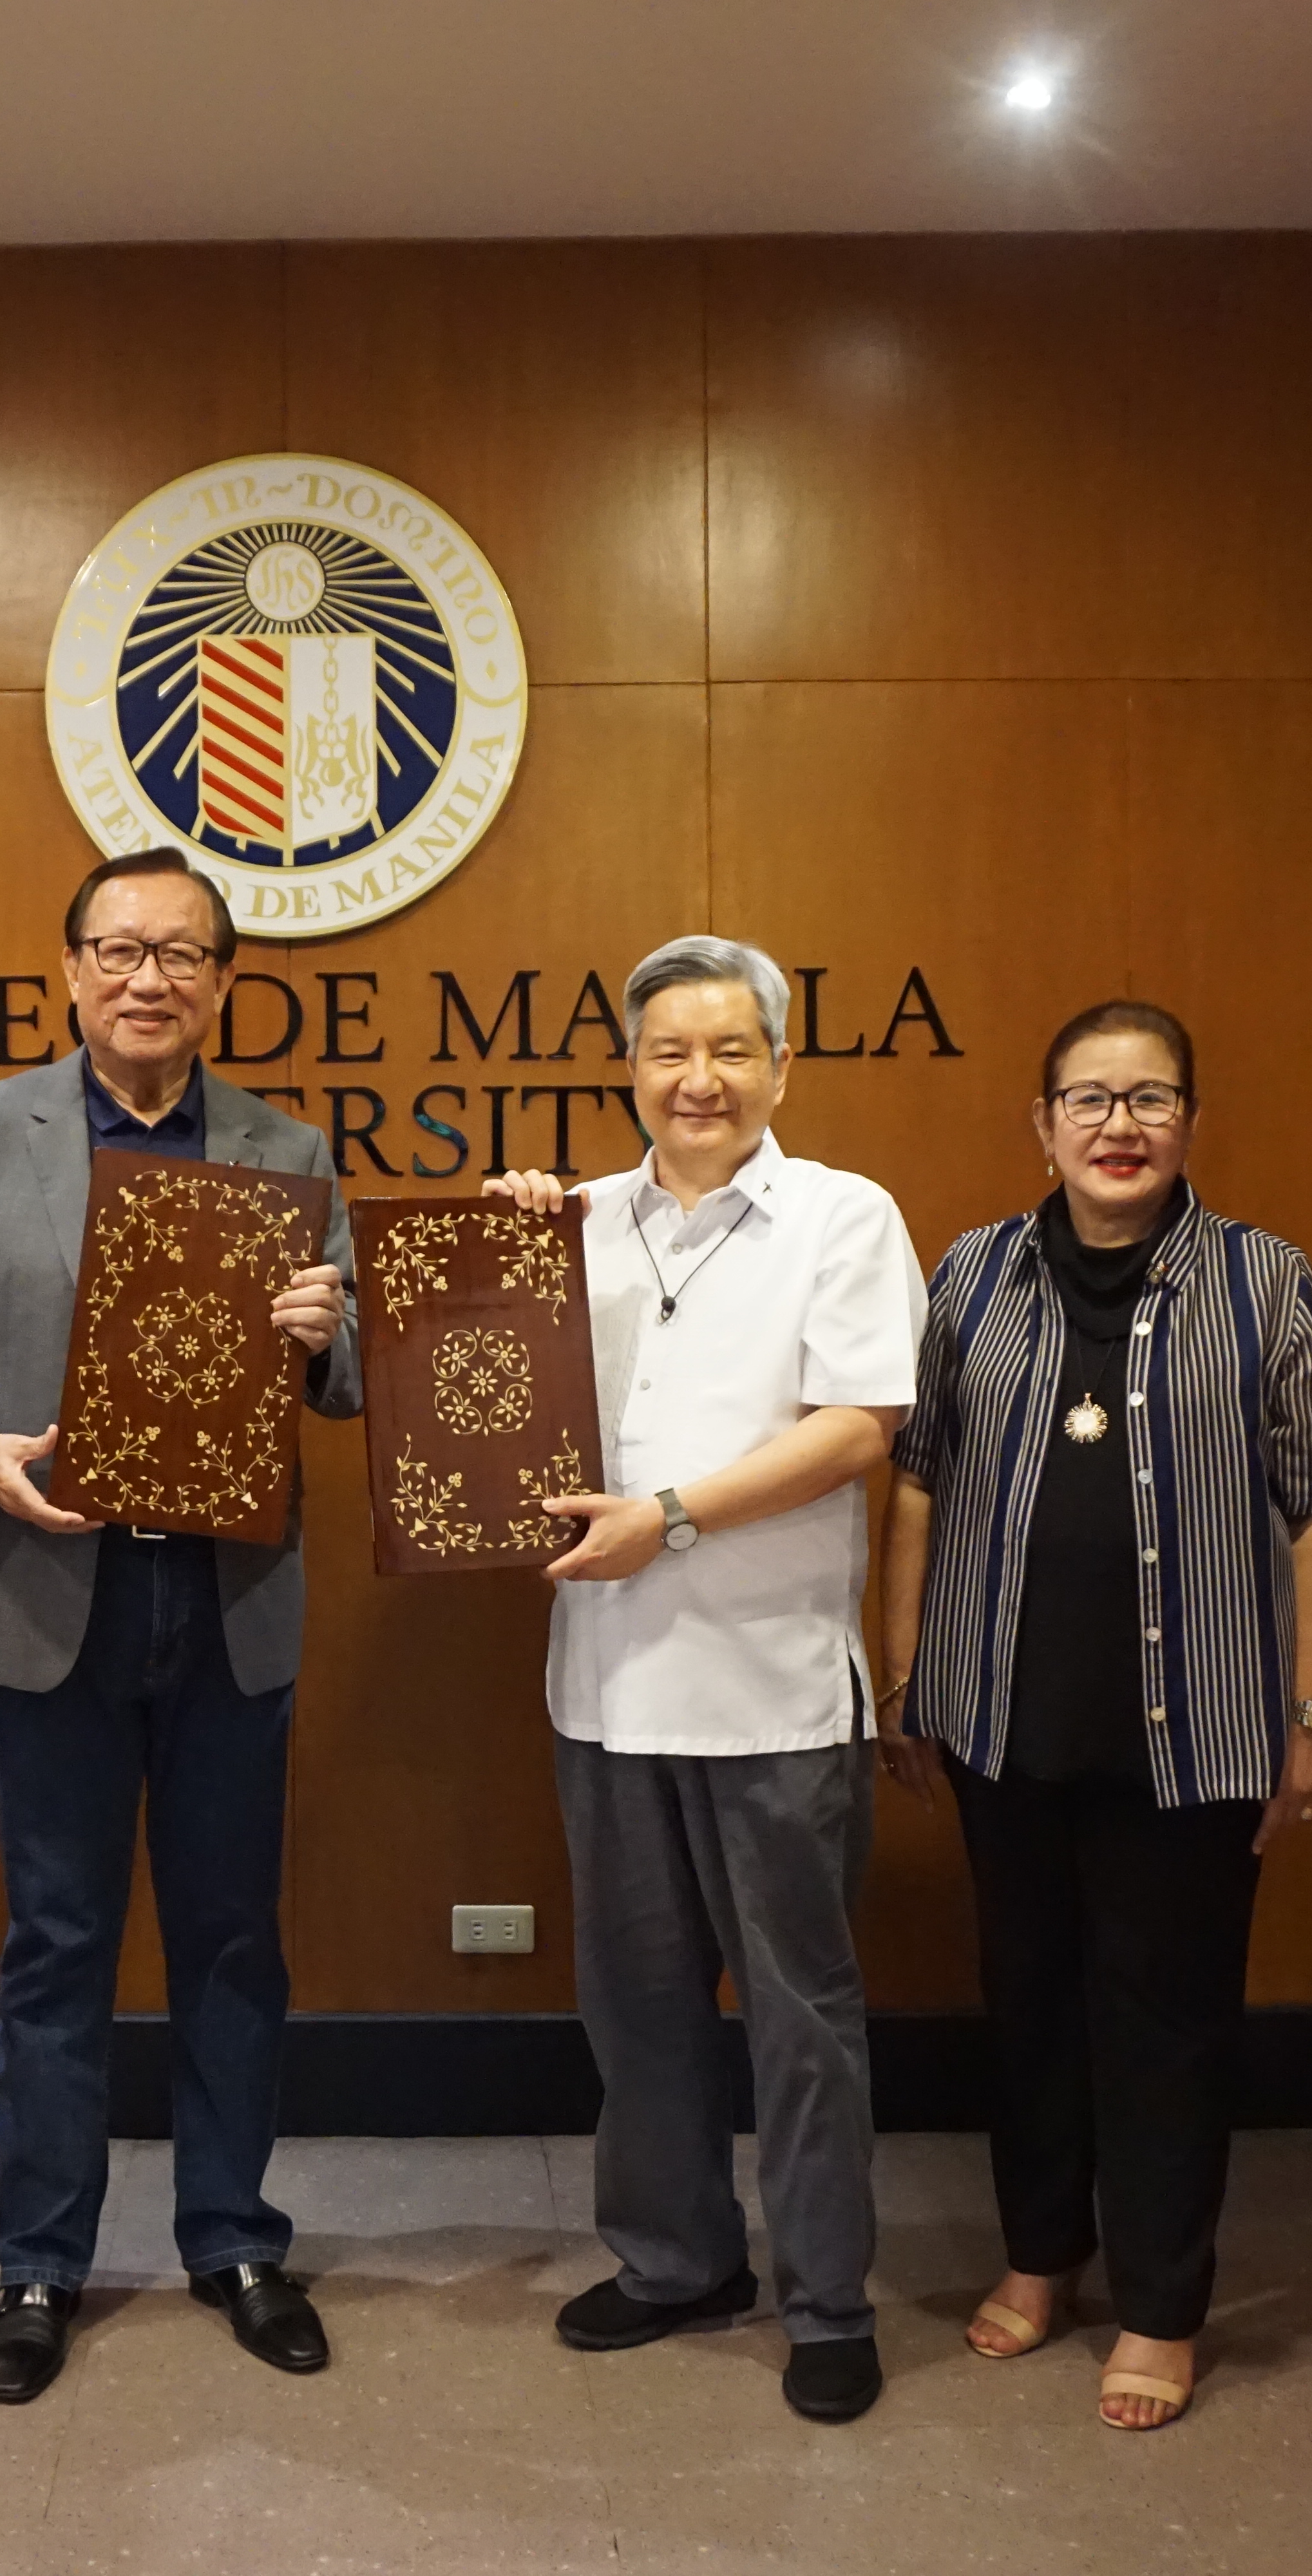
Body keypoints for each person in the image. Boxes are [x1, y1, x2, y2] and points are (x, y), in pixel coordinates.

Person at [0, 848, 357, 2404]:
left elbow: (340, 1384)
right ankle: (40, 2263)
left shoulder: (289, 1143)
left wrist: (329, 1331)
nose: (151, 978)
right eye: (121, 949)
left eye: (183, 954)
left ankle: (234, 2236)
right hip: (49, 1590)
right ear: (70, 967)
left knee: (230, 1940)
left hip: (227, 1600)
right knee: (57, 1945)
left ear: (223, 980)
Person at [871, 999, 1312, 2432]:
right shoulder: (972, 1274)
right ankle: (1040, 2258)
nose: (1118, 1124)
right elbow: (914, 1479)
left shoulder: (1267, 1283)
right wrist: (900, 1675)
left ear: (1189, 1122)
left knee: (1164, 2017)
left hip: (1196, 1727)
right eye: (1088, 1098)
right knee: (1027, 2002)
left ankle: (1159, 2302)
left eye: (1149, 1098)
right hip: (998, 1713)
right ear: (1043, 1125)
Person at [482, 934, 921, 2427]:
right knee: (639, 2003)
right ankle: (677, 2260)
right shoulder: (575, 1217)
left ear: (781, 1067)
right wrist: (482, 1250)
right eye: (671, 1050)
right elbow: (471, 1384)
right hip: (603, 1686)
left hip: (776, 1688)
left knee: (802, 2011)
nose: (701, 1078)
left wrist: (666, 1516)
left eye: (732, 1050)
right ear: (632, 1068)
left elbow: (861, 1423)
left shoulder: (843, 1215)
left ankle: (827, 2295)